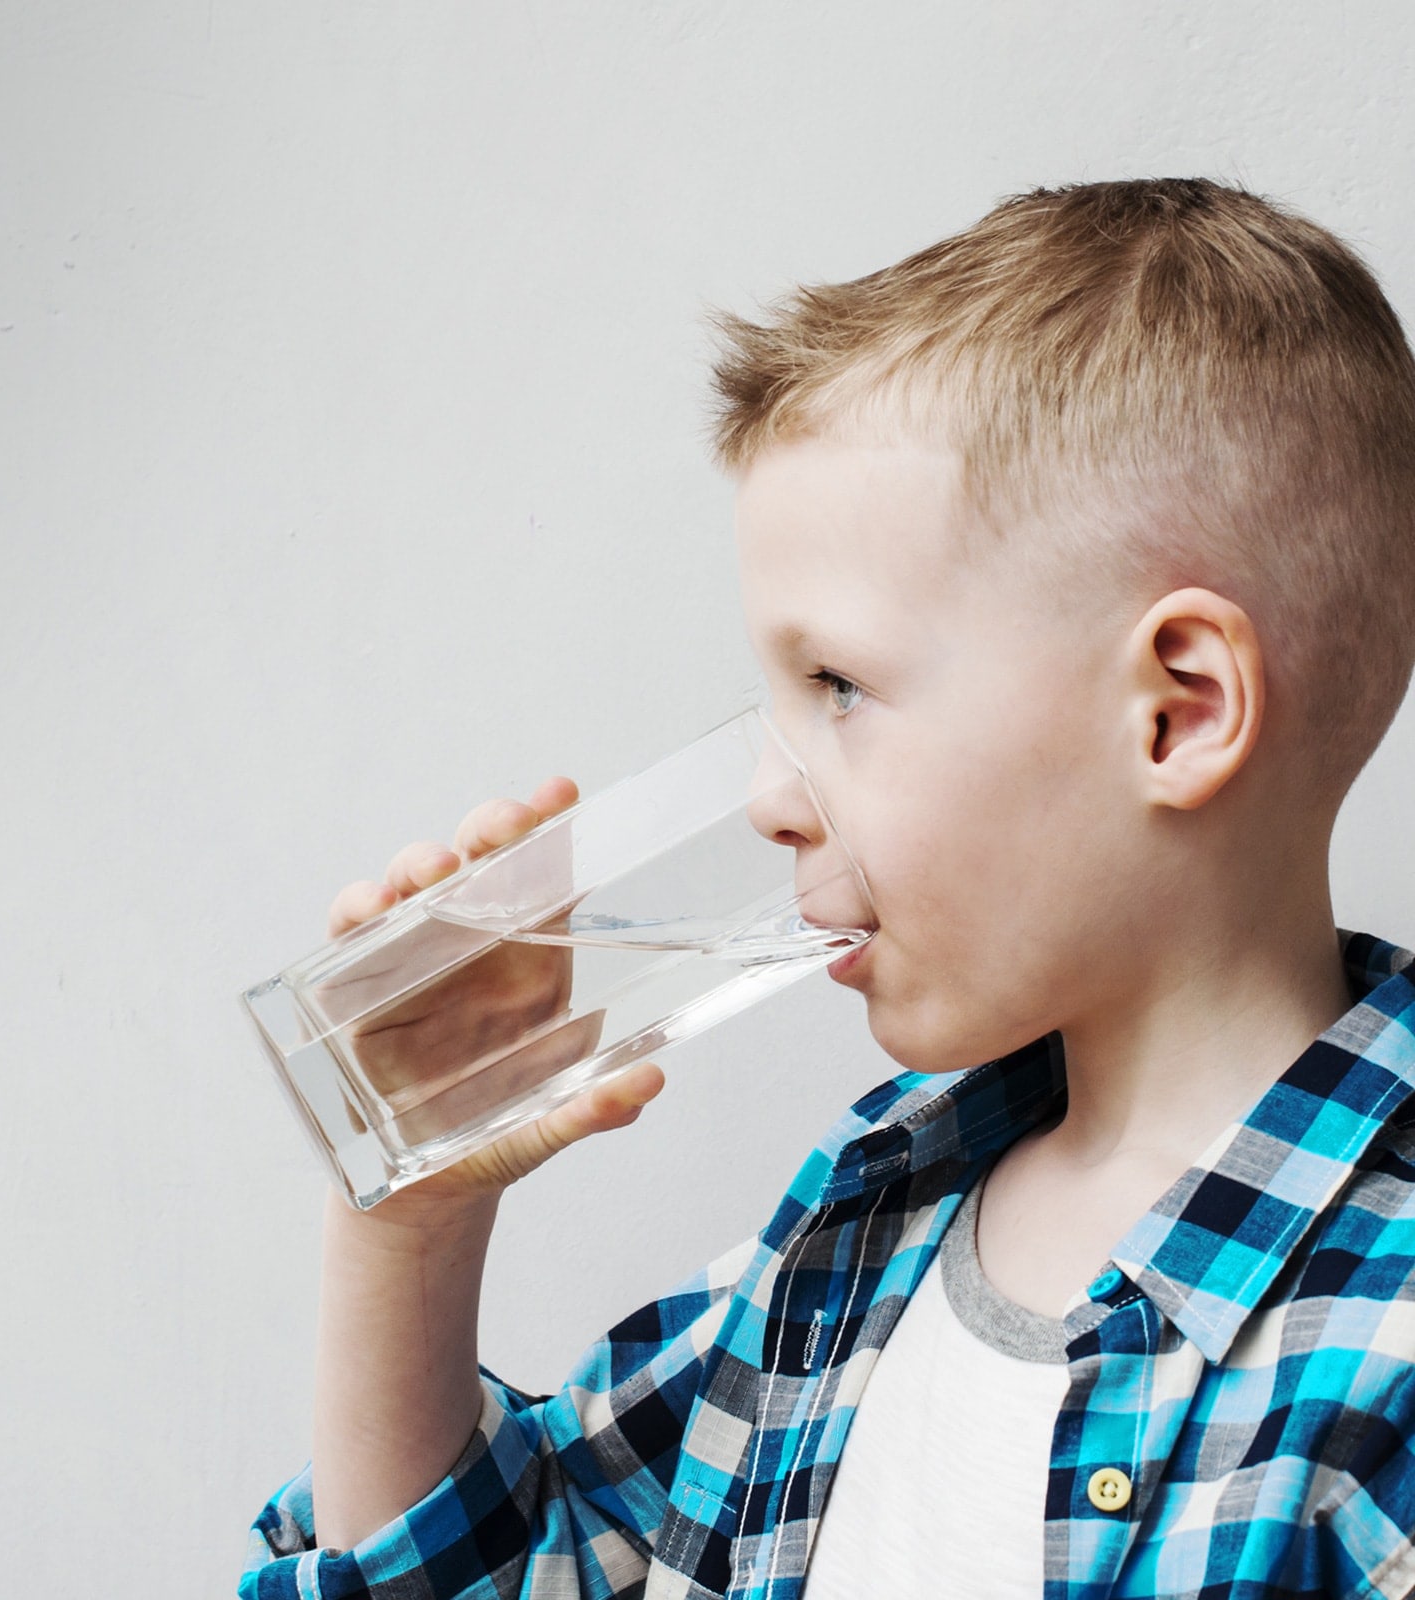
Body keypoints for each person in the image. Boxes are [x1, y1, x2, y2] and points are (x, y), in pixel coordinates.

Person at [241, 179, 1415, 1598]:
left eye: (840, 688)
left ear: (1174, 712)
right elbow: (492, 1573)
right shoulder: (858, 1233)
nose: (768, 799)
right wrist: (406, 1221)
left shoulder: (1383, 1349)